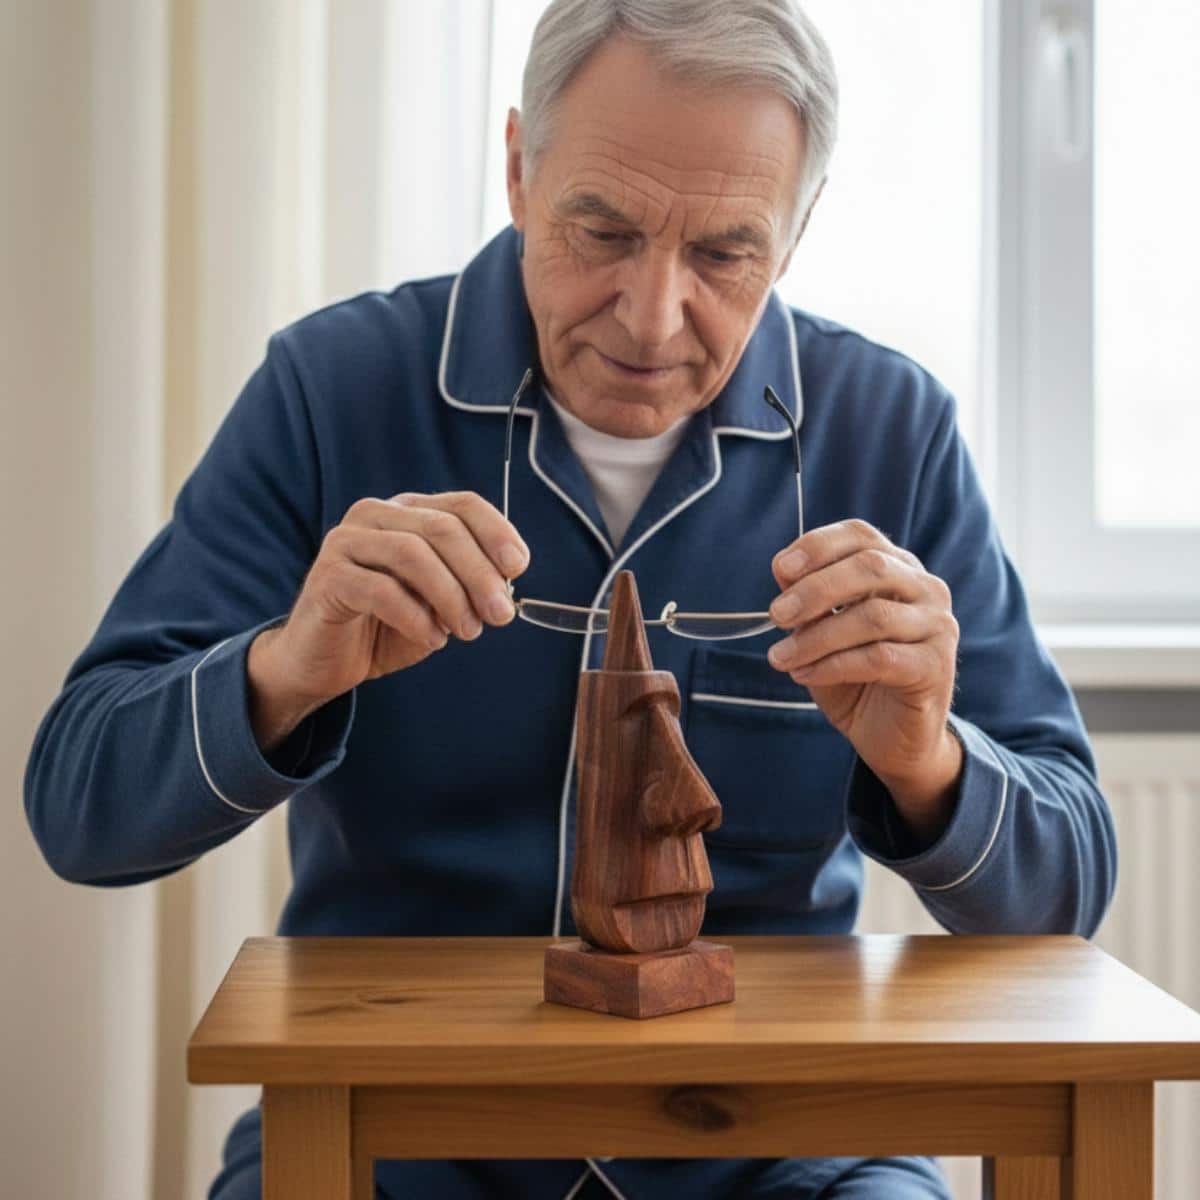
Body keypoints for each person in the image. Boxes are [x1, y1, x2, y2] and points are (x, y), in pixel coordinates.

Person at [23, 2, 1117, 1197]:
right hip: (397, 1141)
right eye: (601, 231)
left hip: (785, 1154)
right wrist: (286, 671)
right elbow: (81, 812)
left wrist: (930, 764)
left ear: (795, 236)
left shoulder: (890, 431)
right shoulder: (331, 390)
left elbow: (1072, 884)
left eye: (723, 255)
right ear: (517, 171)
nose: (652, 318)